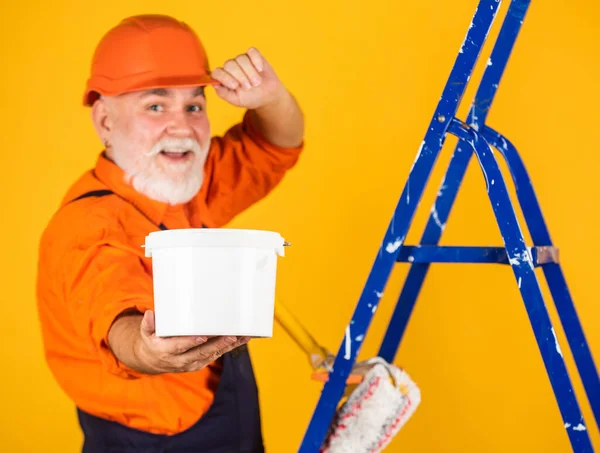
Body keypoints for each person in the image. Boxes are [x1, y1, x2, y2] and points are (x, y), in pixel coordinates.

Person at [35, 14, 304, 453]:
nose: (182, 127)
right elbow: (115, 319)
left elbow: (276, 146)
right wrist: (146, 350)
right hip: (151, 441)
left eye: (194, 106)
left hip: (224, 418)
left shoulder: (183, 185)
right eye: (156, 106)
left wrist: (271, 97)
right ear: (104, 120)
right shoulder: (88, 227)